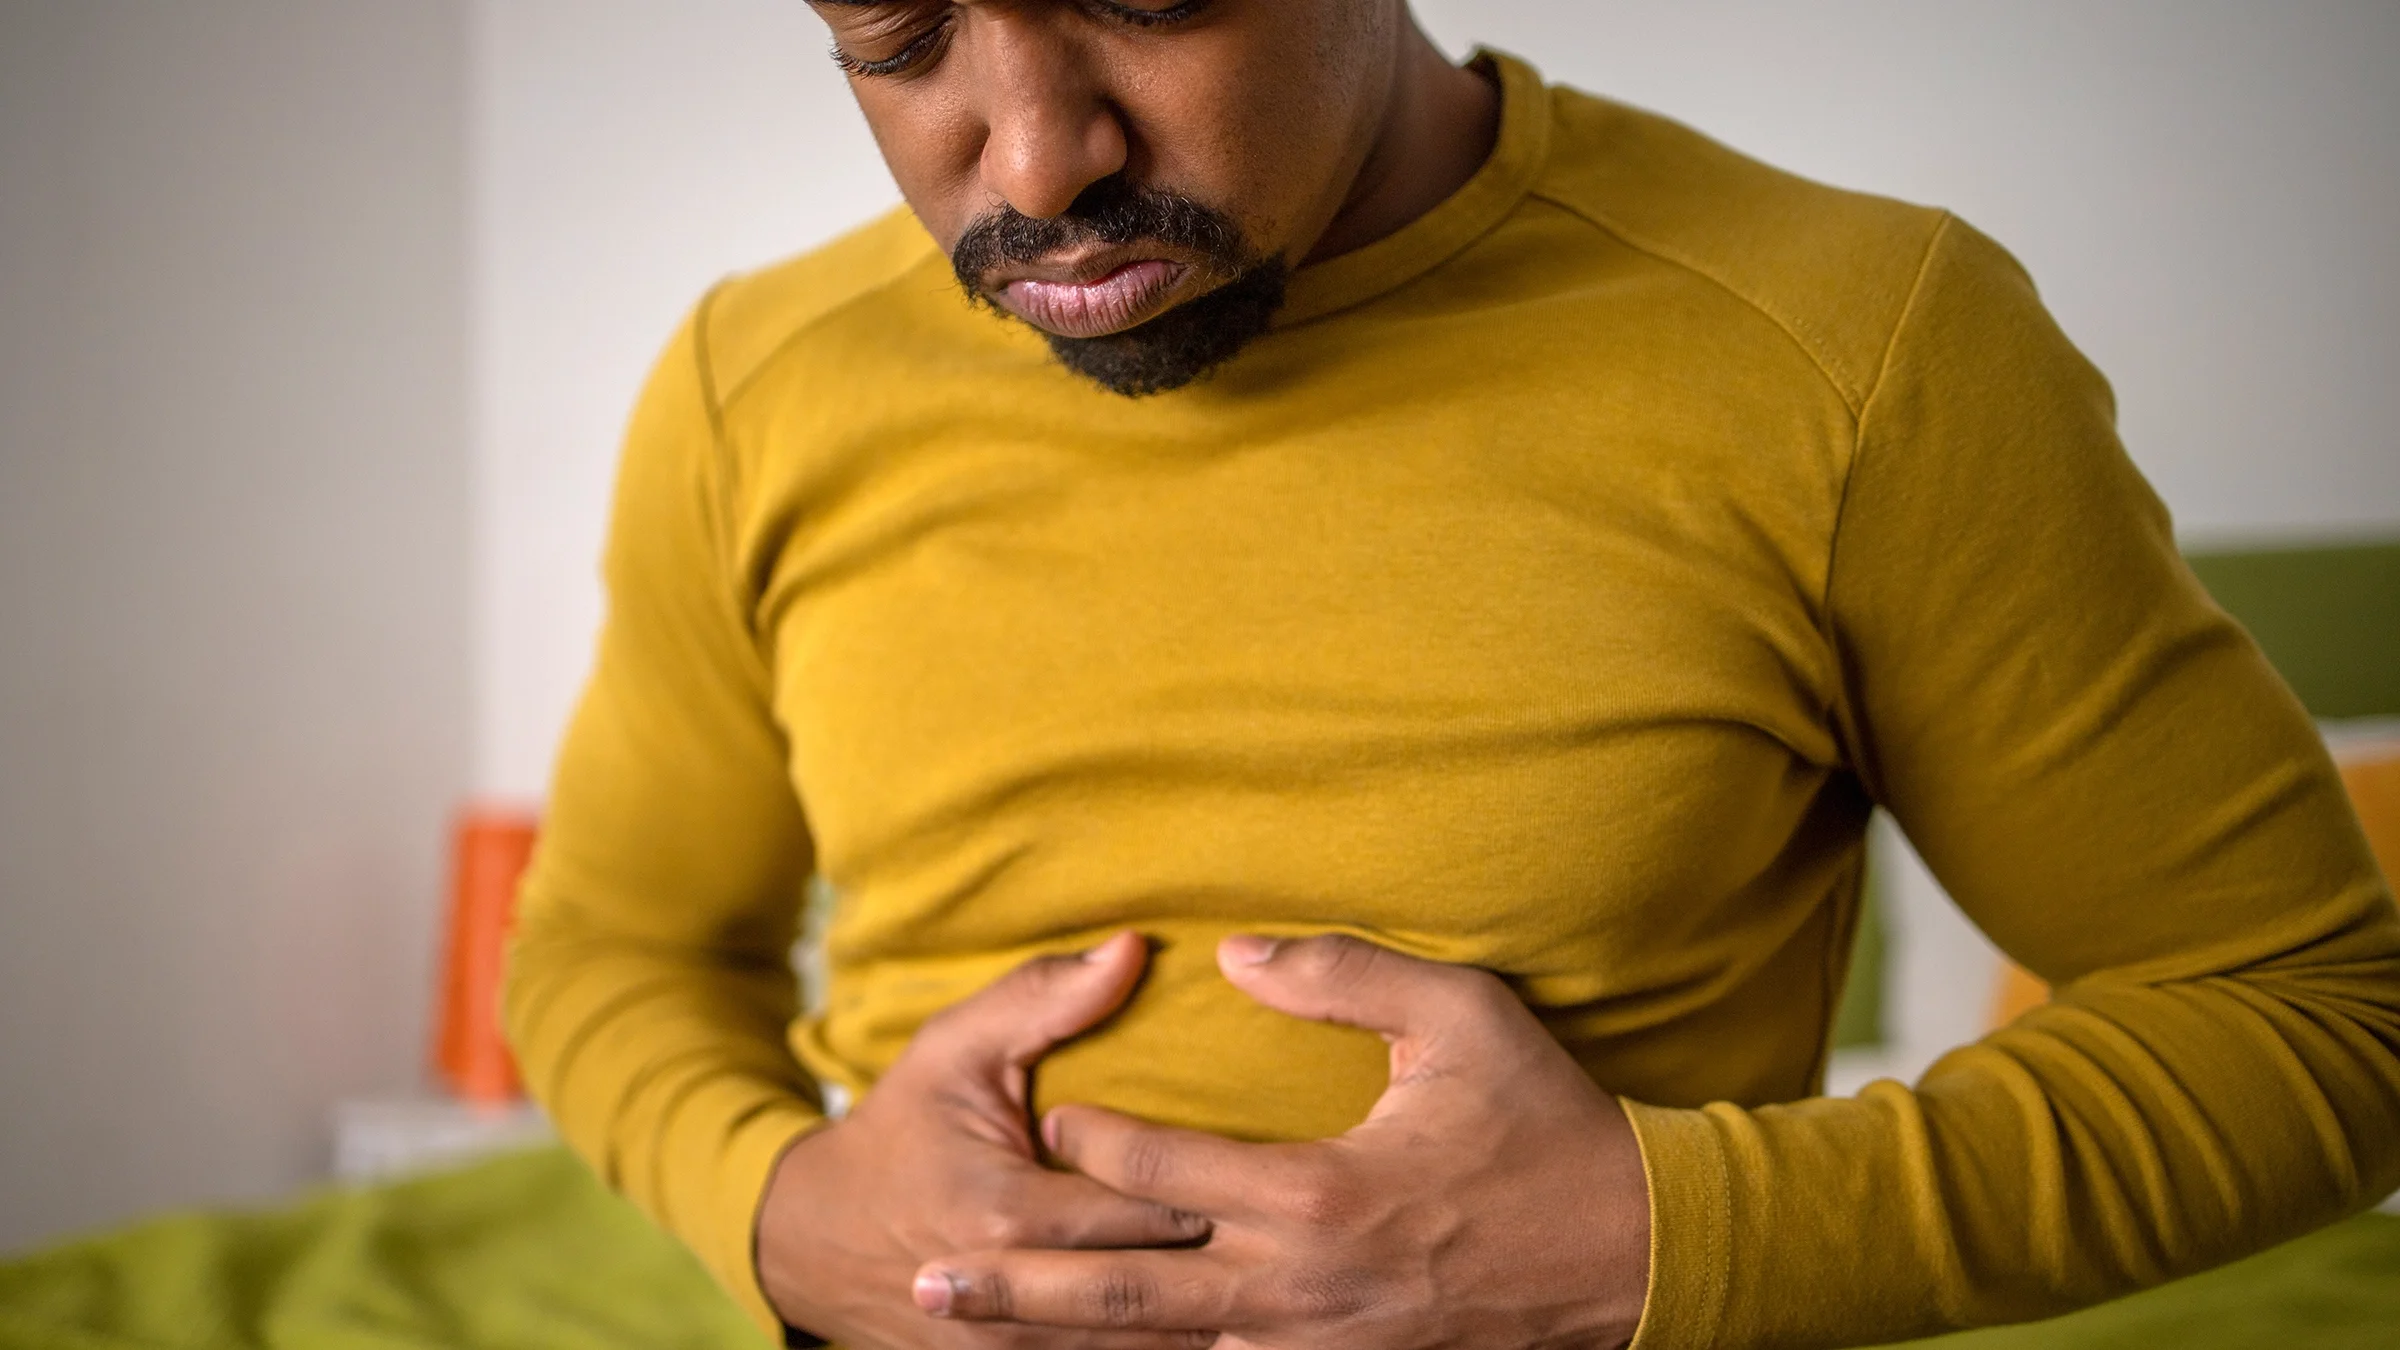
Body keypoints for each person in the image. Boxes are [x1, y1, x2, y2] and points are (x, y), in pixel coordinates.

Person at [502, 3, 2400, 1348]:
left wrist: (1649, 1241)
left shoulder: (1860, 349)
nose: (1029, 156)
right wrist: (782, 1209)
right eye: (900, 34)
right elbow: (612, 948)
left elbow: (2315, 1012)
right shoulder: (756, 388)